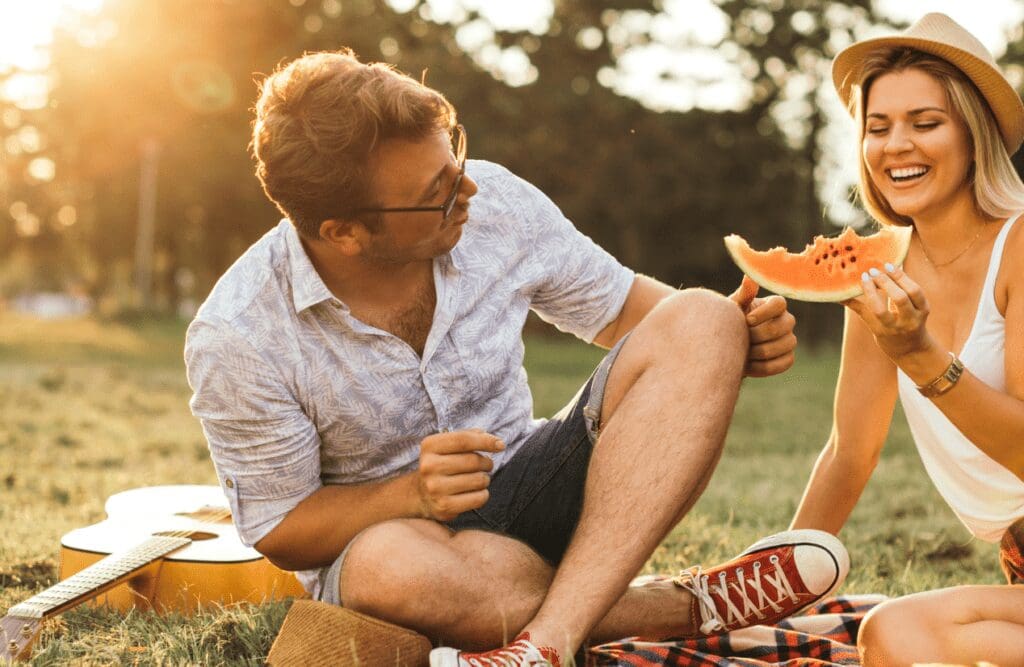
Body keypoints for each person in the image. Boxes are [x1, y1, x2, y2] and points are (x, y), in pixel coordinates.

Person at [184, 49, 848, 666]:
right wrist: (410, 492)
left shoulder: (494, 202)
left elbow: (626, 311)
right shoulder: (238, 336)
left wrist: (734, 339)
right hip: (409, 548)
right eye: (436, 192)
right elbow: (280, 527)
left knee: (703, 314)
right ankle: (684, 605)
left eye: (458, 161)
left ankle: (544, 643)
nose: (467, 191)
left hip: (540, 481)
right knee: (387, 565)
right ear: (344, 232)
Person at [789, 13, 1024, 667]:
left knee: (895, 631)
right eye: (878, 126)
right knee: (898, 635)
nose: (897, 146)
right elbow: (849, 452)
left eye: (926, 123)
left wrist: (922, 358)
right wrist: (771, 580)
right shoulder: (874, 274)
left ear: (974, 136)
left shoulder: (1020, 247)